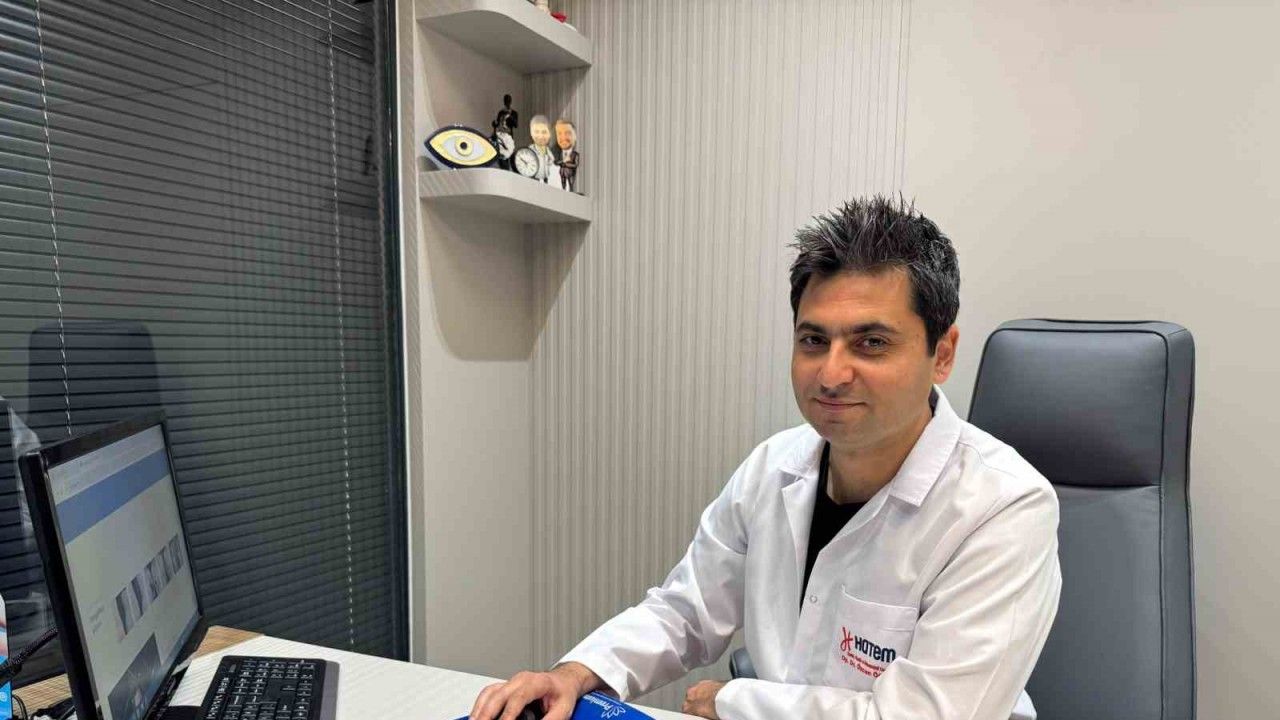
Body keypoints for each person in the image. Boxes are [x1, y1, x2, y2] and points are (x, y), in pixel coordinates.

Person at [469, 197, 1062, 720]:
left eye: (871, 342)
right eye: (813, 340)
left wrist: (732, 702)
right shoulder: (773, 466)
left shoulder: (1004, 507)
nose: (831, 373)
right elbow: (686, 611)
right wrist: (575, 674)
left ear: (943, 353)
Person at [528, 114, 555, 185]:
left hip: (546, 176)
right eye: (537, 132)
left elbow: (552, 159)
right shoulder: (530, 150)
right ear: (531, 133)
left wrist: (550, 162)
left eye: (544, 132)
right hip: (535, 177)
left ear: (549, 134)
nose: (540, 136)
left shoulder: (548, 150)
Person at [554, 119, 579, 192]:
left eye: (567, 133)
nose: (563, 137)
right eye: (559, 134)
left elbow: (575, 164)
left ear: (575, 136)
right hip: (561, 174)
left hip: (570, 174)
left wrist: (565, 164)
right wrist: (563, 161)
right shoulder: (556, 154)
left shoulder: (575, 154)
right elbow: (556, 162)